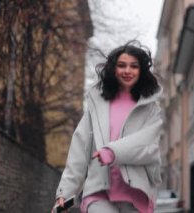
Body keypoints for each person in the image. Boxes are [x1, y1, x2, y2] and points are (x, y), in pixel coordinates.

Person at [53, 40, 163, 213]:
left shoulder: (151, 109)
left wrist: (112, 152)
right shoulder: (98, 106)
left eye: (134, 66)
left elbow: (148, 147)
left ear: (141, 70)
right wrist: (65, 193)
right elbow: (80, 149)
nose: (127, 71)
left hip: (135, 195)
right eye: (122, 65)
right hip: (98, 193)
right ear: (114, 69)